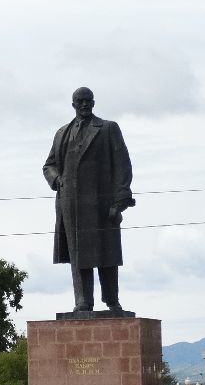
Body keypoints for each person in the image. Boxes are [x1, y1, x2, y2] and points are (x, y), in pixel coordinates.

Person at [42, 86, 135, 312]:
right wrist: (58, 180)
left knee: (107, 254)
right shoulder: (62, 133)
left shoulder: (108, 129)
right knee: (78, 254)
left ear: (94, 103)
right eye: (80, 101)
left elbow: (123, 165)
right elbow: (49, 165)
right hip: (71, 204)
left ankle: (112, 300)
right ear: (73, 105)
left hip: (102, 204)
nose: (84, 105)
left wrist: (120, 200)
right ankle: (83, 301)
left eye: (88, 101)